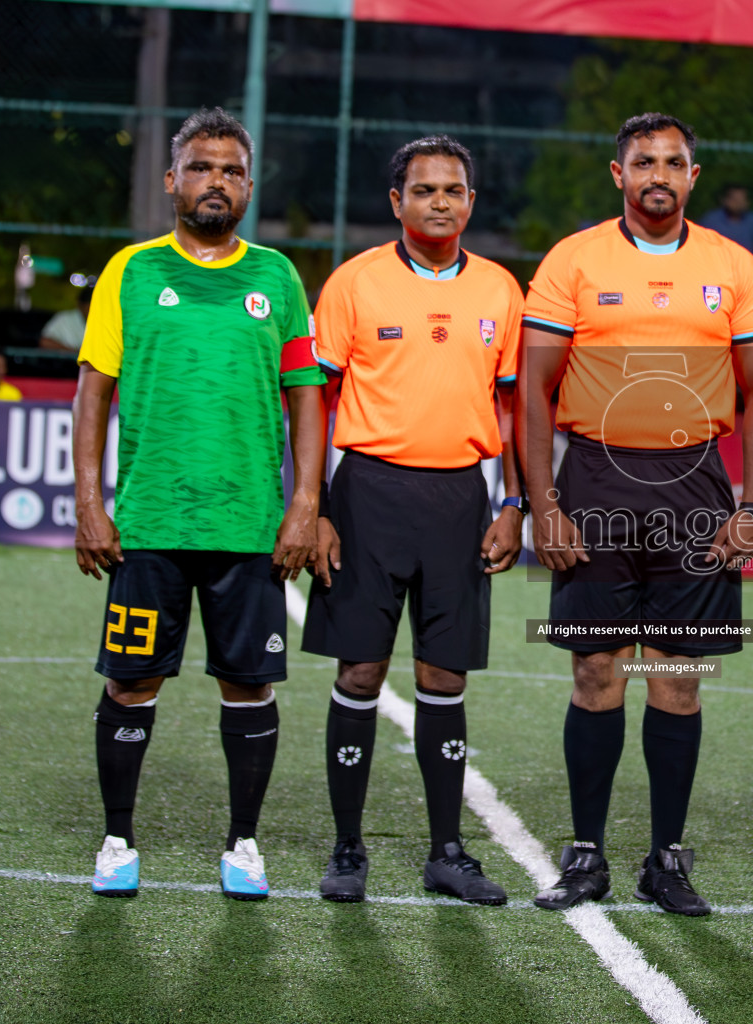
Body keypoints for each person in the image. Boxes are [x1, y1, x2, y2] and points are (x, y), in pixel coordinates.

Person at [517, 113, 753, 916]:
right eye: (643, 162)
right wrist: (544, 503)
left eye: (673, 162)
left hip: (698, 483)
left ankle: (667, 860)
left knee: (678, 681)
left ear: (693, 176)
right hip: (594, 477)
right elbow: (531, 386)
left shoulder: (733, 267)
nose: (657, 174)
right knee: (596, 671)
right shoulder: (574, 260)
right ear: (618, 173)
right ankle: (587, 853)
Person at [71, 107, 326, 901]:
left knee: (250, 685)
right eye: (201, 166)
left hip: (249, 526)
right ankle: (117, 840)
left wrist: (305, 503)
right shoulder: (132, 271)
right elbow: (94, 391)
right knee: (130, 683)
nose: (216, 181)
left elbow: (306, 396)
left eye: (231, 170)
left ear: (249, 186)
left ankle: (243, 845)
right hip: (149, 523)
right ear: (172, 178)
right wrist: (88, 498)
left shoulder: (277, 278)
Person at [302, 136, 524, 905]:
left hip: (461, 497)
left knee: (444, 674)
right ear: (396, 202)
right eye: (423, 189)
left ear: (470, 201)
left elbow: (512, 407)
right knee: (359, 669)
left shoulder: (500, 289)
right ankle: (346, 849)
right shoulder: (354, 283)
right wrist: (317, 509)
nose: (440, 201)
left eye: (454, 190)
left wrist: (514, 503)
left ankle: (447, 852)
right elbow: (313, 401)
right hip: (366, 494)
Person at [697, 183, 753, 255]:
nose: (739, 203)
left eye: (742, 199)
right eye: (735, 199)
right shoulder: (710, 220)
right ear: (724, 200)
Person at [40, 286, 93, 351]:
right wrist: (71, 352)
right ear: (80, 304)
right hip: (66, 360)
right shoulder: (65, 318)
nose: (92, 310)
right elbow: (45, 342)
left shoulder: (102, 321)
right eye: (89, 307)